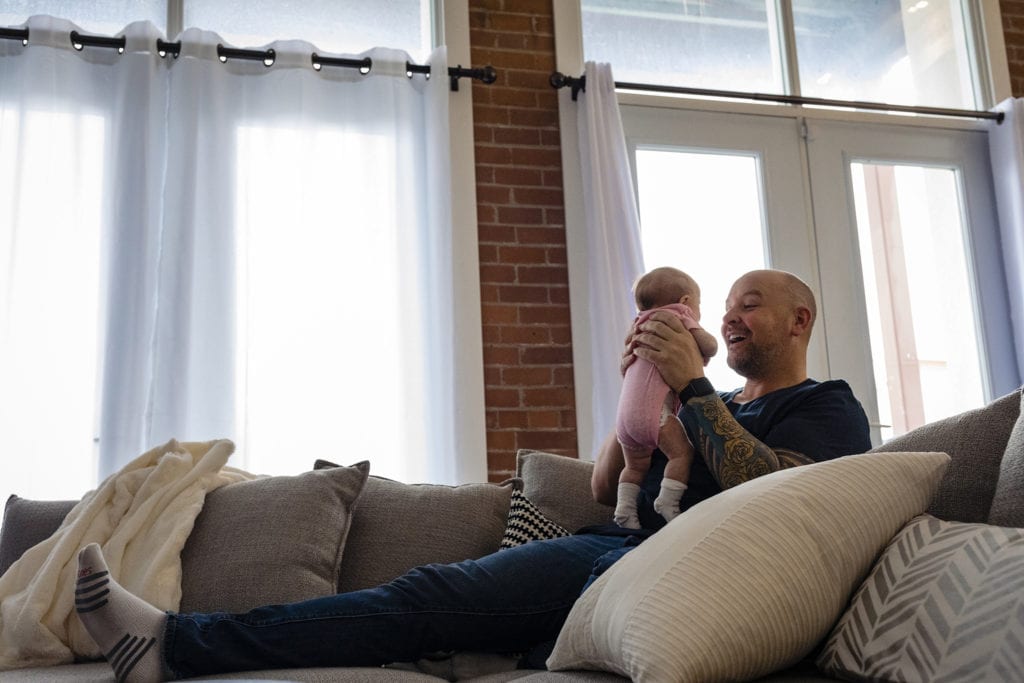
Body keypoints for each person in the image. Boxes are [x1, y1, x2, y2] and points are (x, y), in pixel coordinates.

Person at [74, 269, 871, 682]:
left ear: (800, 320)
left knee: (429, 604)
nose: (729, 316)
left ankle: (173, 645)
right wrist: (639, 395)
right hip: (616, 545)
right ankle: (174, 645)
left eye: (752, 304)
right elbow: (604, 488)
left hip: (668, 568)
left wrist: (693, 389)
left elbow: (777, 488)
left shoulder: (827, 405)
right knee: (423, 595)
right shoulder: (712, 400)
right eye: (726, 304)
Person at [613, 266, 718, 528]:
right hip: (655, 415)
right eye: (699, 304)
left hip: (623, 420)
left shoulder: (638, 325)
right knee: (681, 455)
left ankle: (624, 509)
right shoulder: (677, 316)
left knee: (634, 468)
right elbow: (710, 347)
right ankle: (668, 502)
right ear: (686, 302)